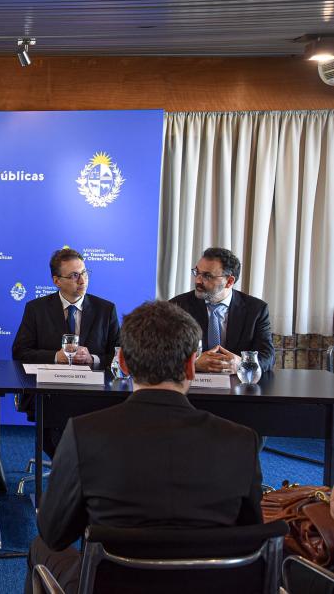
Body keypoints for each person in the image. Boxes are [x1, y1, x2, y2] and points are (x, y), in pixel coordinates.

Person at [25, 301, 263, 594]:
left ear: (122, 362)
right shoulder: (242, 440)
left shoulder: (84, 433)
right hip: (211, 585)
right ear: (191, 366)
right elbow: (253, 536)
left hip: (110, 584)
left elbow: (54, 533)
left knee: (40, 547)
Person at [12, 247, 121, 457]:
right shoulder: (36, 309)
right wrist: (55, 357)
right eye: (74, 275)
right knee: (56, 438)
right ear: (56, 281)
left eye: (84, 273)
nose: (82, 280)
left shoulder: (106, 310)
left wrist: (93, 358)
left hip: (93, 395)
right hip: (52, 393)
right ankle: (69, 473)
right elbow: (20, 351)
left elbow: (120, 356)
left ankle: (72, 474)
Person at [170, 246, 274, 374]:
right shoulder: (177, 307)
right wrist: (193, 363)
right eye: (197, 272)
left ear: (229, 281)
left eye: (207, 276)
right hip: (192, 387)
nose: (197, 280)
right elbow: (161, 355)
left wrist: (242, 365)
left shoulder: (256, 310)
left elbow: (267, 357)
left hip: (238, 387)